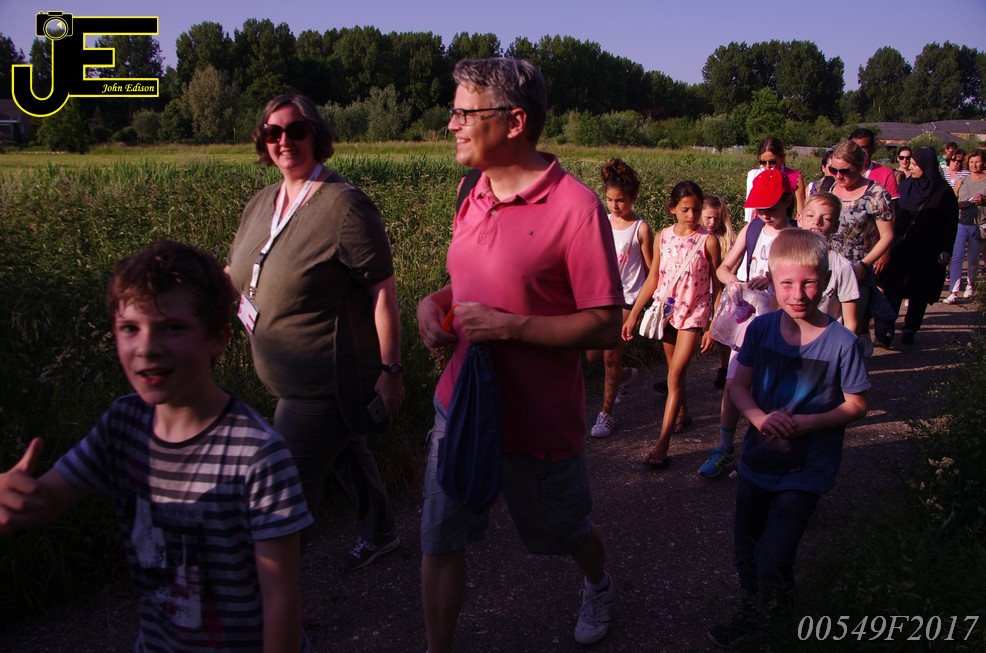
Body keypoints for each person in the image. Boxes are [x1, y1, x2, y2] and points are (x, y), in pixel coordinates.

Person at [0, 240, 313, 652]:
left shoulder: (257, 454)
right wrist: (15, 498)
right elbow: (45, 502)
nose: (147, 347)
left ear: (218, 338)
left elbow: (280, 598)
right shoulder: (122, 425)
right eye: (130, 328)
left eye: (172, 327)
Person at [416, 58, 623, 651]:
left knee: (565, 532)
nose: (451, 124)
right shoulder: (471, 190)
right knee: (440, 538)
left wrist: (510, 328)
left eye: (464, 113)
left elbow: (606, 324)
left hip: (536, 422)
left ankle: (598, 583)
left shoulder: (575, 208)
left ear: (514, 121)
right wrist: (435, 303)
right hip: (461, 406)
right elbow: (471, 280)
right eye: (454, 111)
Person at [226, 93, 402, 571]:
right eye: (273, 132)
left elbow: (382, 292)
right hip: (289, 380)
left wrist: (390, 370)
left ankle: (271, 598)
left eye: (296, 130)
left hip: (326, 383)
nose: (284, 140)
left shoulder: (345, 206)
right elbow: (237, 272)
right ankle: (382, 532)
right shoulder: (262, 201)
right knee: (346, 451)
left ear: (316, 136)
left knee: (285, 497)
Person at [708, 229, 869, 649]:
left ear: (826, 280)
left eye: (809, 283)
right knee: (746, 547)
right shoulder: (760, 330)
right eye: (787, 283)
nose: (798, 294)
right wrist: (759, 418)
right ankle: (757, 610)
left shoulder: (842, 343)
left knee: (776, 552)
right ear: (771, 280)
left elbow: (857, 405)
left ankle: (777, 619)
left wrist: (808, 424)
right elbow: (738, 388)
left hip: (806, 469)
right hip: (757, 461)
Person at [698, 169, 795, 479]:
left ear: (788, 201)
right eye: (759, 208)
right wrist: (734, 281)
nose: (764, 214)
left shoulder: (795, 237)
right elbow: (724, 268)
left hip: (783, 323)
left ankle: (763, 450)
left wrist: (774, 280)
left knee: (771, 389)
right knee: (733, 384)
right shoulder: (752, 229)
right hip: (749, 321)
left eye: (771, 208)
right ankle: (724, 449)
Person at [624, 181, 721, 468]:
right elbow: (653, 277)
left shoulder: (708, 241)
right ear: (672, 209)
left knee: (676, 373)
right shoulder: (663, 236)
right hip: (667, 312)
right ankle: (683, 413)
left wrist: (713, 324)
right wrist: (633, 314)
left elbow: (718, 285)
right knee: (673, 373)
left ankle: (662, 445)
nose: (692, 215)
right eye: (685, 209)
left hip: (694, 314)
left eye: (696, 209)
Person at [587, 158, 654, 437]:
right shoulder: (601, 222)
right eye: (610, 200)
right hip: (602, 297)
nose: (615, 206)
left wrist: (639, 310)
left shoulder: (641, 228)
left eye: (621, 200)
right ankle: (625, 376)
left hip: (627, 299)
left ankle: (606, 415)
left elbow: (651, 269)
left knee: (609, 357)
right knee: (592, 356)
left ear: (633, 198)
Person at [875, 148, 959, 346]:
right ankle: (887, 329)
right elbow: (895, 214)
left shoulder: (943, 192)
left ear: (926, 166)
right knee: (893, 288)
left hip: (927, 250)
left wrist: (946, 249)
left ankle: (910, 328)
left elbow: (950, 223)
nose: (910, 167)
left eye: (914, 164)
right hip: (902, 248)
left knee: (919, 291)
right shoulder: (905, 186)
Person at [822, 140, 894, 355]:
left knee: (851, 327)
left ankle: (852, 367)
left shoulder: (876, 194)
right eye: (833, 170)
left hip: (856, 271)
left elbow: (887, 236)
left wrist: (865, 264)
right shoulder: (825, 187)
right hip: (825, 268)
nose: (838, 176)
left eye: (845, 171)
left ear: (860, 166)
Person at [795, 193, 860, 332]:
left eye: (826, 218)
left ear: (836, 226)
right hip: (791, 336)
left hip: (827, 338)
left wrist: (845, 344)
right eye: (810, 215)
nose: (817, 222)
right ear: (799, 219)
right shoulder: (786, 259)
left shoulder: (843, 267)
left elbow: (850, 322)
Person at [702, 195, 736, 389]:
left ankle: (724, 367)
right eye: (708, 217)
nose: (712, 222)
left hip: (720, 290)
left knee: (721, 331)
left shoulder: (726, 239)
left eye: (716, 218)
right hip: (700, 290)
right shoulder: (698, 237)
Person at [946, 149, 986, 303]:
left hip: (979, 224)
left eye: (977, 162)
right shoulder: (962, 180)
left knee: (973, 259)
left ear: (983, 163)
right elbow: (951, 200)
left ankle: (970, 285)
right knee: (957, 257)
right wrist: (959, 204)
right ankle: (954, 292)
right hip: (961, 222)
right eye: (971, 162)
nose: (974, 165)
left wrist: (983, 200)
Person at [743, 137, 806, 221]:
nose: (768, 166)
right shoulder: (756, 176)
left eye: (772, 162)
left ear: (782, 158)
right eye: (763, 162)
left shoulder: (794, 177)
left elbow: (801, 211)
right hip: (760, 222)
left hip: (783, 223)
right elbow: (751, 209)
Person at [849, 128, 899, 203]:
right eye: (855, 148)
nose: (858, 152)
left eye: (863, 148)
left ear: (872, 148)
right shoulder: (841, 173)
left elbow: (893, 206)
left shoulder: (886, 175)